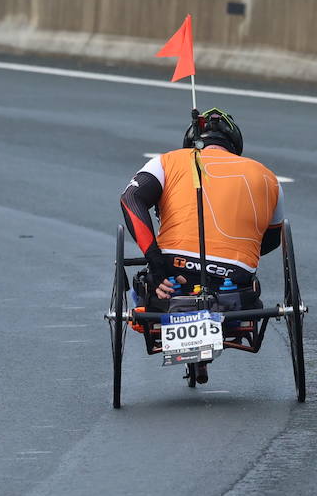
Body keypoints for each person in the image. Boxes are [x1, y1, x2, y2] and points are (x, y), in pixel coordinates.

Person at [119, 109, 284, 382]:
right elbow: (271, 240)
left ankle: (177, 323)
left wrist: (156, 263)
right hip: (235, 281)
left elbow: (131, 199)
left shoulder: (166, 162)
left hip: (172, 275)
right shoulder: (268, 176)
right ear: (235, 144)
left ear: (190, 142)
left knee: (143, 291)